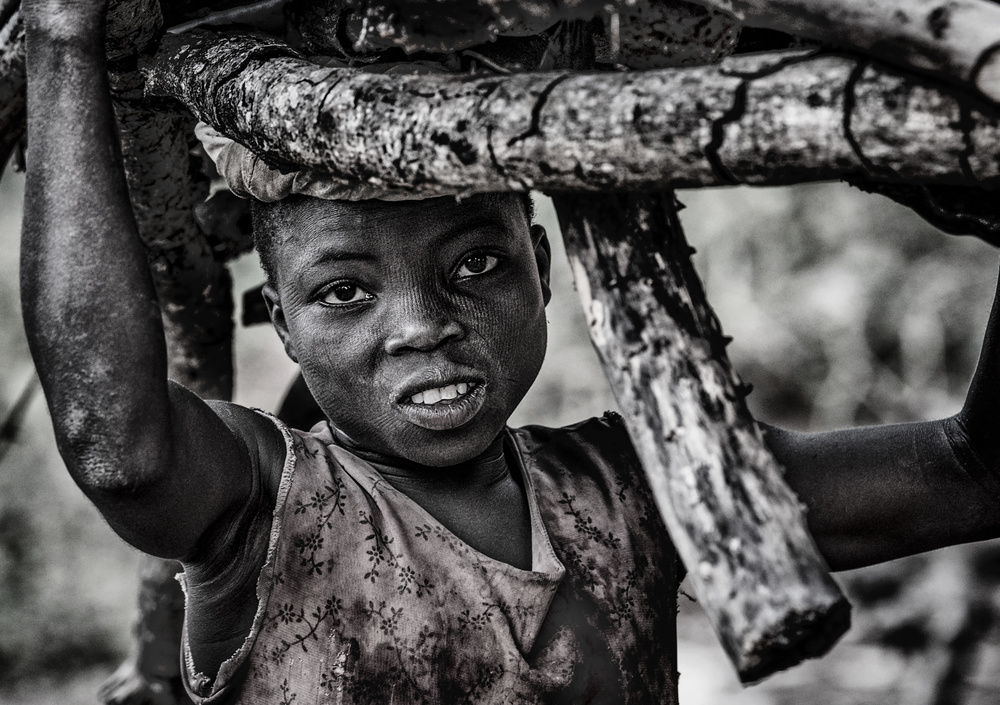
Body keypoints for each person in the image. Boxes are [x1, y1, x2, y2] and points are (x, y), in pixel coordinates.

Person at [20, 0, 1000, 702]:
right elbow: (116, 446)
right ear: (281, 321)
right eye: (345, 291)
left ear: (542, 264)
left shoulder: (634, 489)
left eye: (475, 263)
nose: (423, 324)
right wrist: (65, 38)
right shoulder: (265, 508)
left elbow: (974, 472)